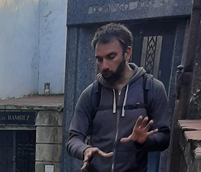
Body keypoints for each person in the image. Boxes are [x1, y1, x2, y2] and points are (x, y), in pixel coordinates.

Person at [67, 23, 170, 172]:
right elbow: (73, 139)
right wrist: (85, 150)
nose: (104, 66)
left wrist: (144, 140)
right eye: (99, 59)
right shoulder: (91, 94)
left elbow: (164, 137)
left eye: (111, 57)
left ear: (127, 53)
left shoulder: (152, 89)